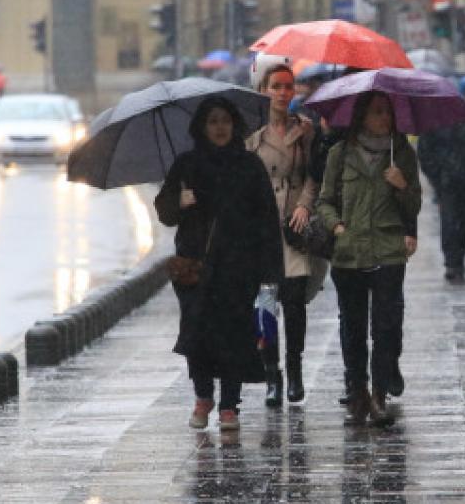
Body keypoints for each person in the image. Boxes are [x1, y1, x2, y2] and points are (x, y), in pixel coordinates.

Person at [155, 95, 283, 431]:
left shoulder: (248, 165)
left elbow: (267, 221)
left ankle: (229, 405)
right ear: (202, 126)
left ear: (234, 125)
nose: (220, 128)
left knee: (233, 337)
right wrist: (179, 201)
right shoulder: (186, 165)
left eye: (225, 121)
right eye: (213, 121)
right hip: (195, 269)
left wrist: (270, 275)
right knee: (196, 337)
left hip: (239, 267)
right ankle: (202, 395)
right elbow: (165, 214)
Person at [316, 92, 421, 425]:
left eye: (387, 112)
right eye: (377, 112)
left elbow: (414, 205)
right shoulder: (340, 153)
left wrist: (402, 185)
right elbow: (325, 201)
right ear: (361, 116)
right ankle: (358, 393)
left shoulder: (402, 153)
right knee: (353, 326)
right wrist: (337, 228)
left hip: (388, 250)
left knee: (386, 326)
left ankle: (379, 395)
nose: (384, 119)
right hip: (349, 253)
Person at [247, 54, 317, 407]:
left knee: (294, 304)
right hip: (262, 234)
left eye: (289, 86)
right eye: (276, 86)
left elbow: (313, 177)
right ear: (263, 90)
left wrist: (305, 205)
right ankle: (271, 374)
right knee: (265, 306)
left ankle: (296, 372)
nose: (283, 92)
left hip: (294, 229)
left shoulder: (304, 130)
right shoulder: (251, 137)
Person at [417, 87, 465, 283]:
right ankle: (452, 262)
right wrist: (437, 176)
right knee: (449, 222)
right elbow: (424, 152)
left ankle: (460, 257)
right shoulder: (433, 123)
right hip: (446, 183)